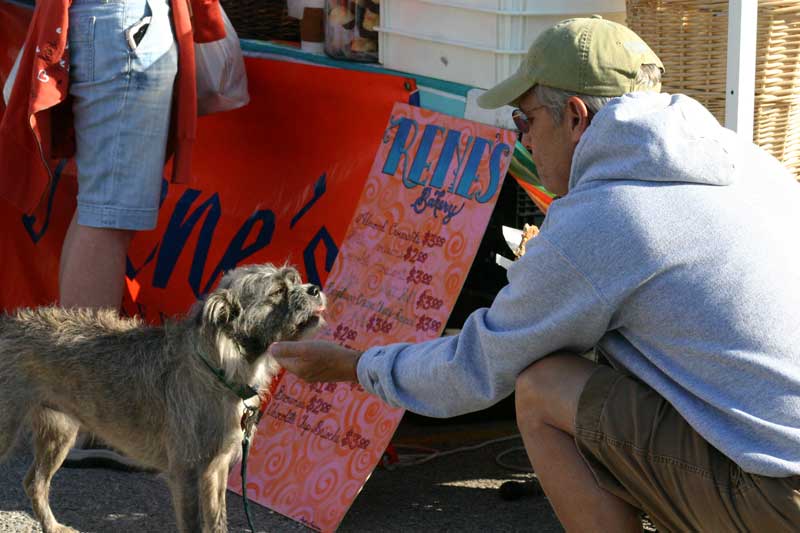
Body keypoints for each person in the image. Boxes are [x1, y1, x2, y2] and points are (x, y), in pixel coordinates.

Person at [269, 16, 800, 532]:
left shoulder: (605, 215)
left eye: (525, 121)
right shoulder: (745, 159)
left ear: (574, 116)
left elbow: (475, 369)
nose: (522, 141)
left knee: (544, 388)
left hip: (780, 493)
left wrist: (354, 367)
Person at [0, 0, 227, 468]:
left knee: (100, 214)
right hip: (126, 24)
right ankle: (85, 415)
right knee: (107, 217)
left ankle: (72, 407)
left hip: (117, 25)